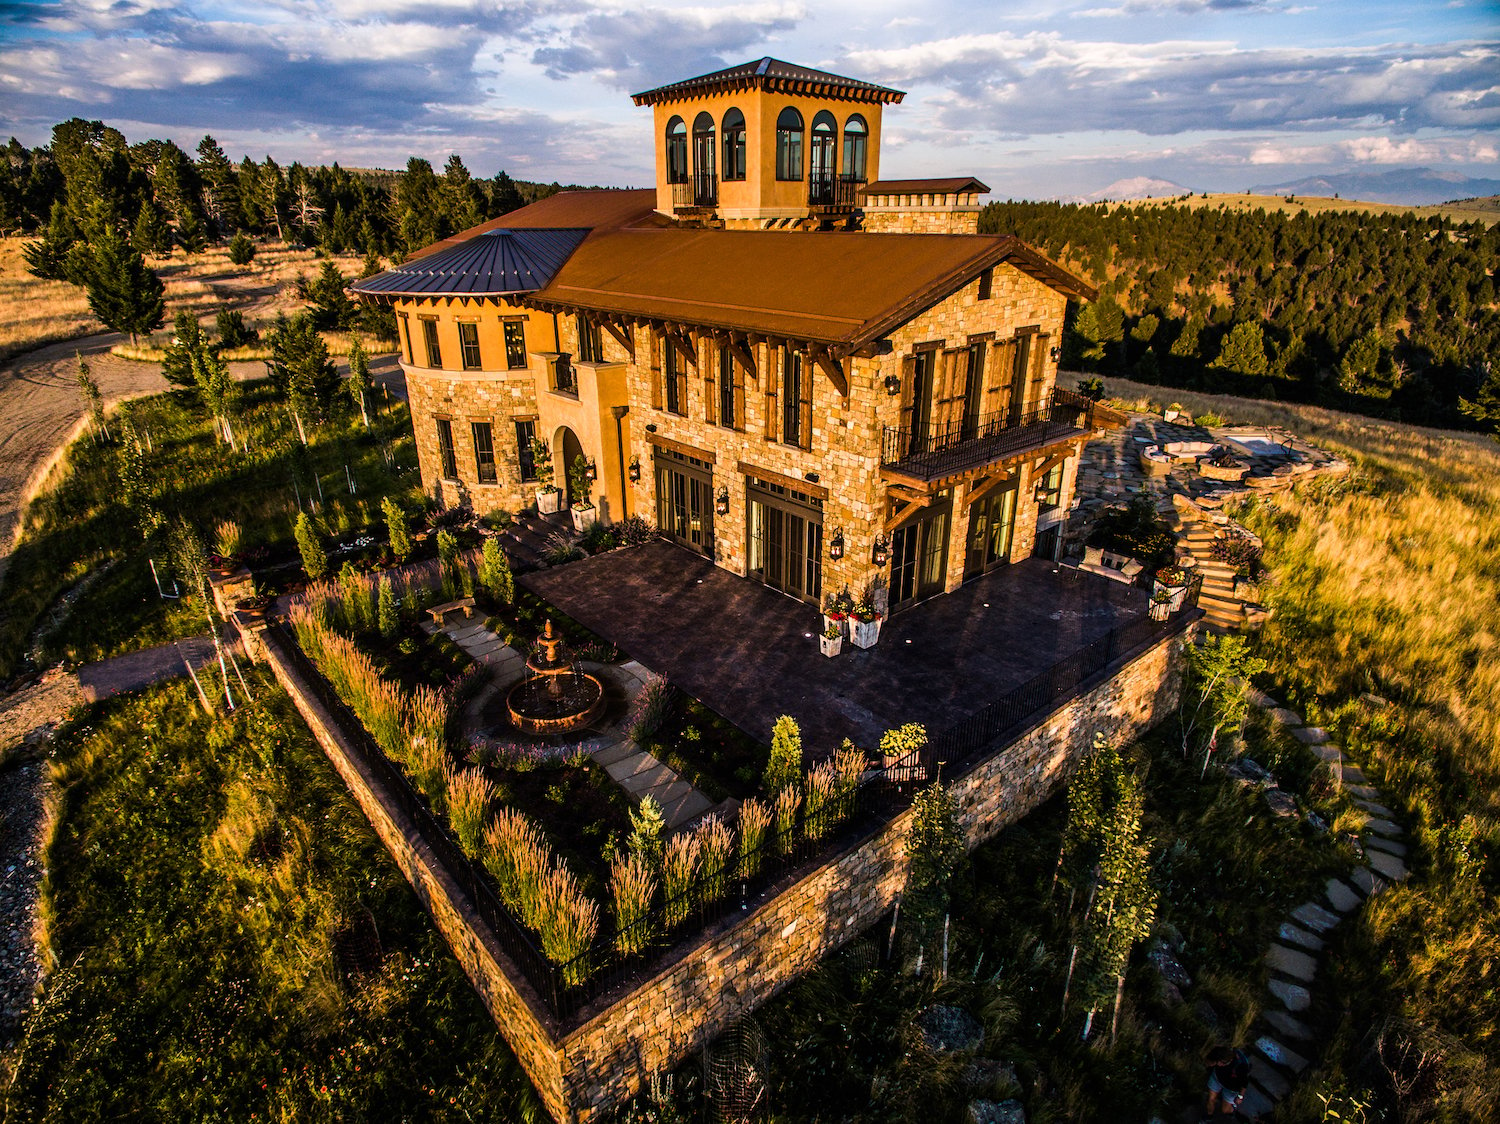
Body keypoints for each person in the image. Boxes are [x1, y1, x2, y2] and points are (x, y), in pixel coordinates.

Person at [1204, 1045, 1252, 1118]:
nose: (1219, 1065)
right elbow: (1209, 1061)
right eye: (1217, 1063)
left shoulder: (1241, 1066)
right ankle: (1208, 1116)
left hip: (1231, 1088)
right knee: (1211, 1099)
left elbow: (1244, 1082)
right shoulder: (1218, 1054)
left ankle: (1232, 1107)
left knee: (1225, 1110)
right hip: (1217, 1078)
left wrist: (1240, 1096)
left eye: (1221, 1063)